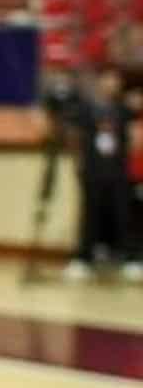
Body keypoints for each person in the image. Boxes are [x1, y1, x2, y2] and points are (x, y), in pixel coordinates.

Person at [64, 67, 140, 282]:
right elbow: (74, 137)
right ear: (100, 81)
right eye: (108, 78)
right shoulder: (86, 109)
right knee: (89, 215)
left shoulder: (124, 110)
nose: (112, 83)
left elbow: (132, 139)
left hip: (118, 171)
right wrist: (79, 163)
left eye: (116, 80)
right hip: (93, 169)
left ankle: (129, 259)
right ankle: (83, 259)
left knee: (122, 215)